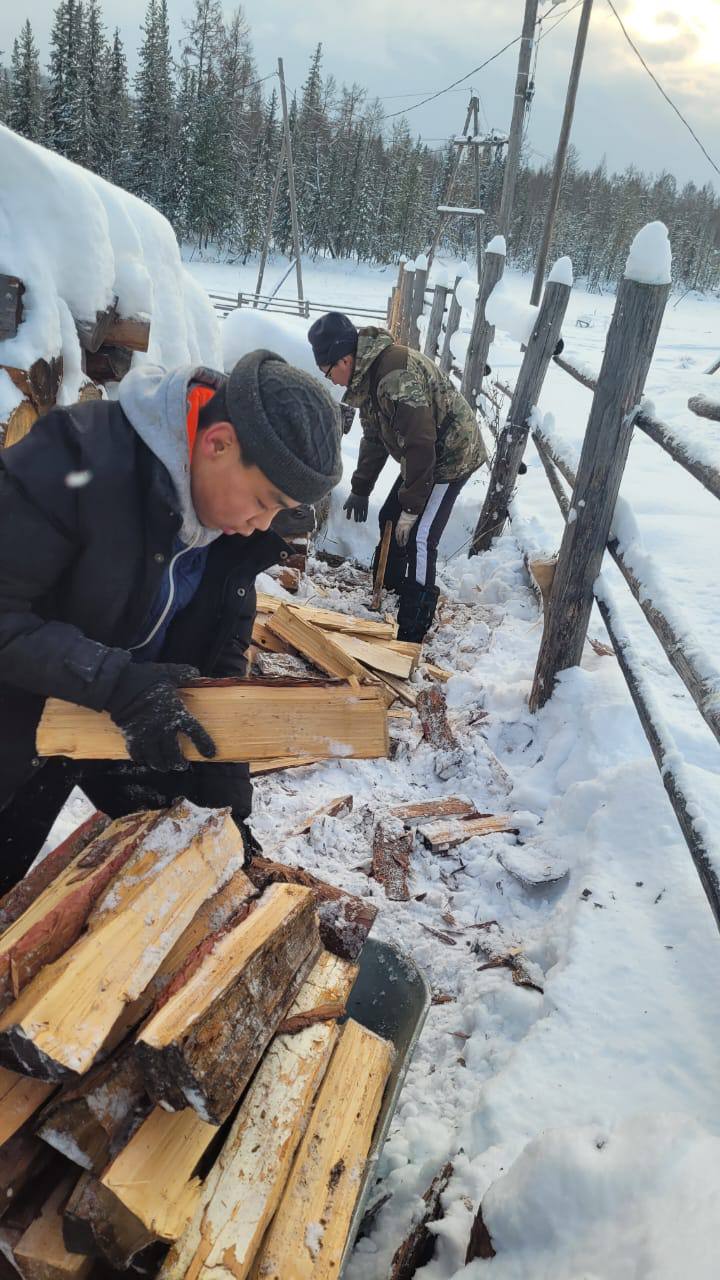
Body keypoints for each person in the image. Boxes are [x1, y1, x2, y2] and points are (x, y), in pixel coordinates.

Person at [0, 351, 341, 891]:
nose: (261, 527)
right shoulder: (76, 457)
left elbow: (217, 668)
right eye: (262, 501)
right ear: (218, 442)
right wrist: (115, 682)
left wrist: (227, 815)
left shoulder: (225, 536)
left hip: (70, 734)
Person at [308, 312, 487, 643]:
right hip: (423, 454)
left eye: (328, 371)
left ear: (344, 359)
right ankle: (389, 588)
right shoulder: (369, 377)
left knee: (420, 535)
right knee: (391, 515)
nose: (330, 380)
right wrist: (361, 488)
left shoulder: (393, 378)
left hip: (449, 455)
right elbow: (375, 438)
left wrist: (413, 507)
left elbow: (421, 443)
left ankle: (413, 624)